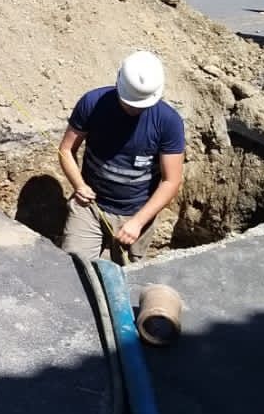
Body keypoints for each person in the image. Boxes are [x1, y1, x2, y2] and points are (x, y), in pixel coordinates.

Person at [58, 51, 185, 264]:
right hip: (90, 206)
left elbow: (171, 181)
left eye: (141, 105)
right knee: (73, 267)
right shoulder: (93, 103)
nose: (134, 109)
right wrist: (79, 185)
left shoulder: (168, 122)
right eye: (130, 103)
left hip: (136, 211)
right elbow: (66, 150)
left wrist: (138, 222)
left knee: (128, 275)